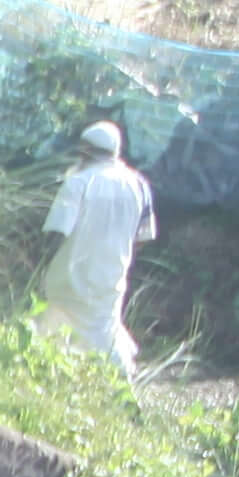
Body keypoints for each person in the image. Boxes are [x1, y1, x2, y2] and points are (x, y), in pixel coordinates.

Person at [45, 119, 159, 370]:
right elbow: (144, 237)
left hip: (68, 277)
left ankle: (117, 384)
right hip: (112, 276)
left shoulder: (78, 182)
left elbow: (56, 233)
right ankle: (118, 382)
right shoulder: (139, 185)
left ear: (85, 150)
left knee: (56, 327)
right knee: (101, 331)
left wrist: (38, 265)